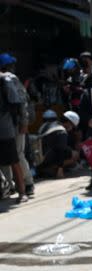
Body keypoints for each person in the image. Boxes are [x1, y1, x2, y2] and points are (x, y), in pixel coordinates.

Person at [0, 53, 34, 198]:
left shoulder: (9, 79)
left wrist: (24, 123)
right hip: (6, 125)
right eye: (11, 65)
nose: (13, 67)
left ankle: (28, 184)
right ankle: (9, 186)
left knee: (17, 155)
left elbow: (21, 103)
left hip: (15, 123)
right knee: (5, 159)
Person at [36, 109, 80, 178]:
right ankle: (51, 169)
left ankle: (48, 169)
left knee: (67, 149)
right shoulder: (62, 131)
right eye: (73, 126)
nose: (72, 129)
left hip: (38, 160)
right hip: (46, 160)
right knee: (75, 154)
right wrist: (60, 170)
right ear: (69, 123)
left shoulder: (47, 125)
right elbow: (61, 150)